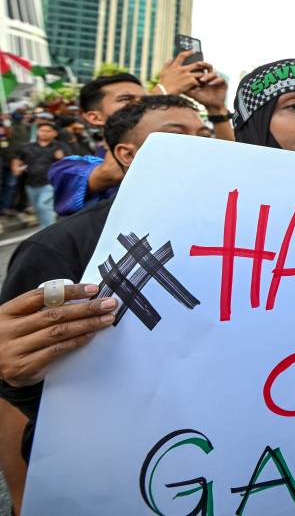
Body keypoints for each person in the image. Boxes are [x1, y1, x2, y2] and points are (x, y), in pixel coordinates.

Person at [0, 95, 207, 461]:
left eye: (204, 136)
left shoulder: (235, 237)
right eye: (177, 136)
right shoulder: (57, 248)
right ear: (127, 154)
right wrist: (16, 372)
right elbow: (23, 380)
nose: (199, 148)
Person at [48, 52, 231, 217]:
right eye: (126, 99)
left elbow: (230, 166)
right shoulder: (69, 168)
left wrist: (216, 108)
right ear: (94, 117)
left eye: (144, 97)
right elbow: (112, 172)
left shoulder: (178, 157)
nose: (142, 104)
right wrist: (162, 92)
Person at [10, 121, 65, 228]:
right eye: (42, 130)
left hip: (50, 183)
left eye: (48, 131)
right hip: (31, 183)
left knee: (44, 206)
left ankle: (49, 232)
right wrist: (16, 168)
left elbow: (69, 162)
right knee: (39, 209)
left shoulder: (60, 147)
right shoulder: (27, 147)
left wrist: (61, 158)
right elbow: (17, 159)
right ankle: (44, 230)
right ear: (37, 132)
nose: (44, 133)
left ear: (54, 133)